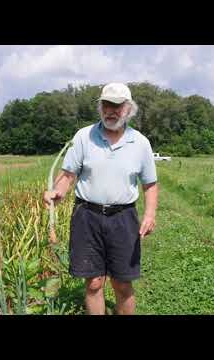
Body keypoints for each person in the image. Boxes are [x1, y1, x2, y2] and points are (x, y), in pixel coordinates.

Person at [43, 82, 159, 315]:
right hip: (87, 216)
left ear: (128, 109)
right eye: (106, 105)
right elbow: (67, 175)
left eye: (117, 106)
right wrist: (57, 192)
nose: (111, 111)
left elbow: (150, 184)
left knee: (122, 283)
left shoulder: (140, 143)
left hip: (123, 218)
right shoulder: (84, 137)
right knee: (94, 282)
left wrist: (149, 214)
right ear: (100, 107)